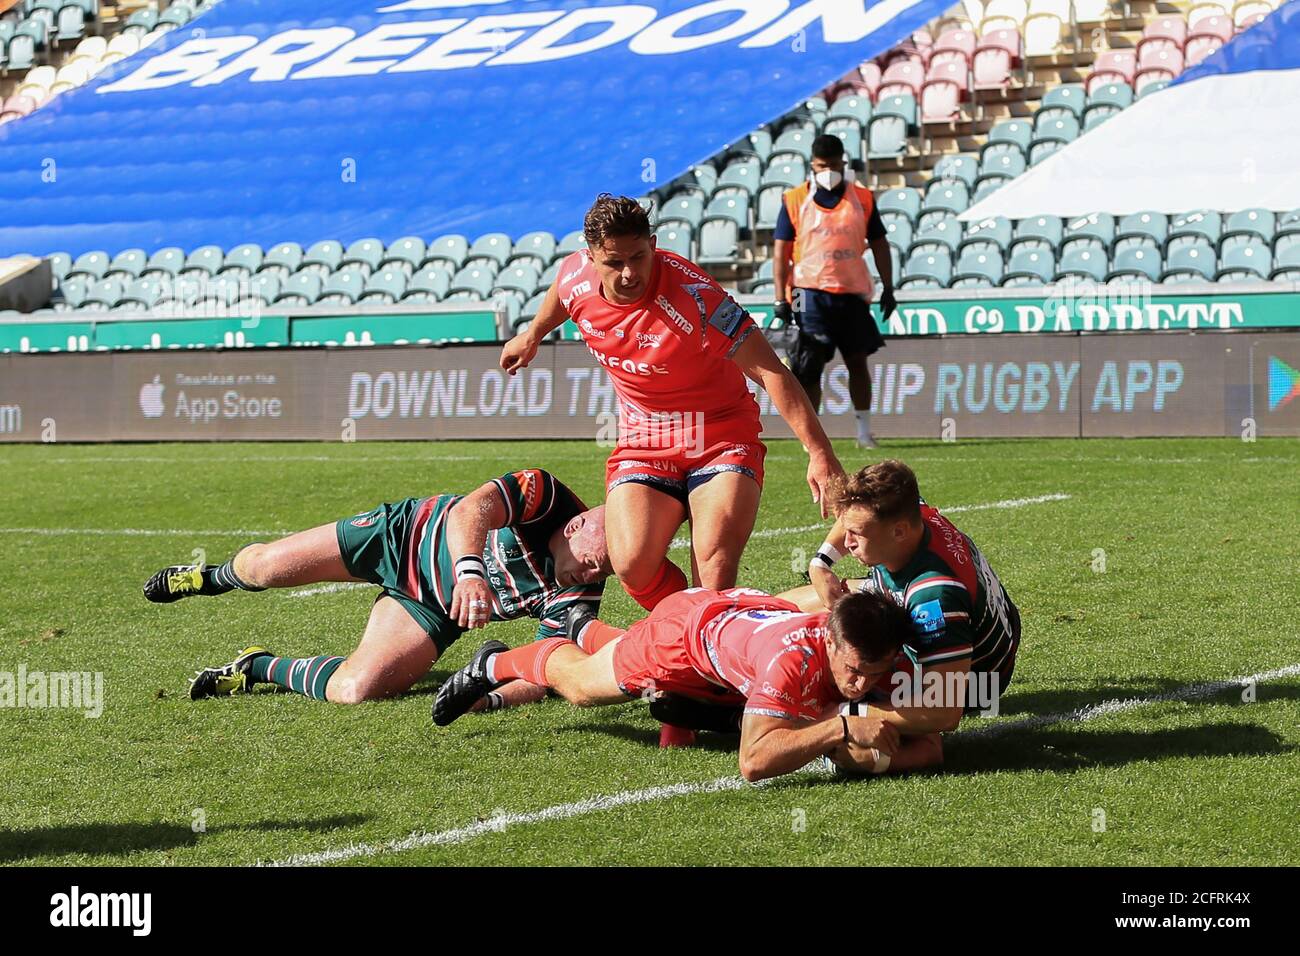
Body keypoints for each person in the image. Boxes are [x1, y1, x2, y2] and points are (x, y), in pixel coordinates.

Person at [499, 193, 845, 746]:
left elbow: (773, 373)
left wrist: (820, 454)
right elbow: (559, 299)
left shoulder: (698, 296)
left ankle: (691, 704)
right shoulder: (575, 279)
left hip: (721, 435)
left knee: (713, 568)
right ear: (591, 258)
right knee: (634, 564)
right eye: (615, 262)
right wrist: (533, 334)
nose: (631, 272)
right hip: (645, 439)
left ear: (653, 246)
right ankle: (684, 651)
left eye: (640, 256)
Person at [143, 469, 611, 706]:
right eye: (592, 564)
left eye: (603, 575)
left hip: (431, 605)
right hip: (401, 535)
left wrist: (485, 698)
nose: (590, 578)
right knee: (265, 567)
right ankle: (211, 577)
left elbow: (547, 670)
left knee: (357, 689)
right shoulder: (546, 495)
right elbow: (472, 510)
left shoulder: (580, 595)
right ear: (575, 528)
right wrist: (470, 571)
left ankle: (257, 667)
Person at [431, 587, 943, 782]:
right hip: (683, 639)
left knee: (808, 717)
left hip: (739, 613)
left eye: (871, 674)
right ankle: (495, 665)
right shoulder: (791, 662)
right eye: (852, 669)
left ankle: (581, 625)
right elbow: (754, 762)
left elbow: (933, 749)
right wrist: (843, 728)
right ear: (829, 643)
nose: (860, 683)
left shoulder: (875, 643)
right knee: (586, 687)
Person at [780, 459, 1022, 763]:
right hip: (965, 622)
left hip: (977, 684)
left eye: (857, 533)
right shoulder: (908, 513)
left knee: (856, 745)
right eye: (848, 530)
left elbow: (944, 711)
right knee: (787, 608)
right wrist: (820, 563)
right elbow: (851, 517)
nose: (848, 541)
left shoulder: (933, 597)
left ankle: (910, 754)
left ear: (898, 532)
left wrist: (845, 715)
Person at [773, 134, 897, 448]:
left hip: (852, 291)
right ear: (812, 166)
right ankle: (810, 438)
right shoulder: (795, 199)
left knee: (858, 361)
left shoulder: (863, 198)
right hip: (808, 292)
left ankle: (864, 432)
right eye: (821, 166)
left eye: (832, 164)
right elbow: (781, 251)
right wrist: (779, 297)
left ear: (844, 163)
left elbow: (880, 244)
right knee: (808, 365)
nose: (827, 170)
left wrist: (888, 287)